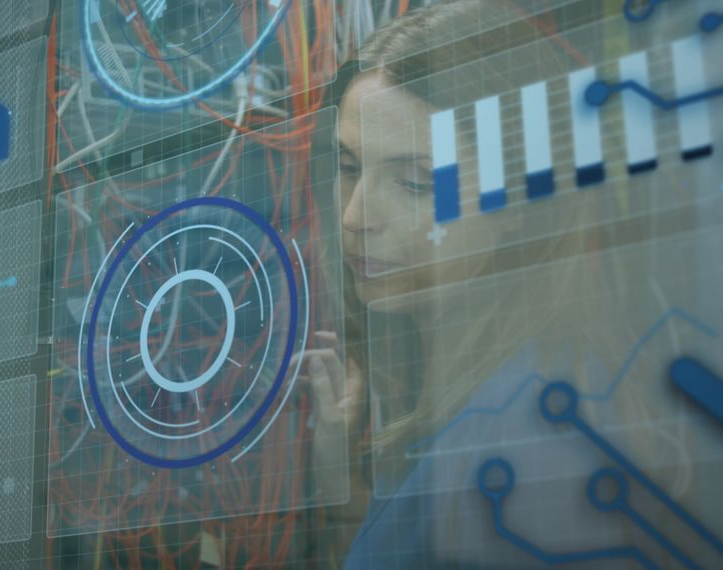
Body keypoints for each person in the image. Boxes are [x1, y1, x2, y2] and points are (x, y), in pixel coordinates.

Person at [304, 1, 714, 567]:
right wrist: (340, 481)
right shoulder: (487, 397)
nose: (355, 217)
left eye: (414, 183)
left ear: (517, 201)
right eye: (349, 168)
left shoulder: (529, 432)